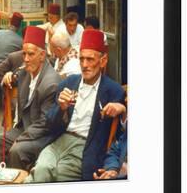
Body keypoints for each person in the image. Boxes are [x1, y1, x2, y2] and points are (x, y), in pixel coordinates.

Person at [24, 29, 125, 183]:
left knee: (52, 175)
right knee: (43, 169)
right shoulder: (68, 83)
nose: (84, 65)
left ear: (103, 61)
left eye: (90, 59)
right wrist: (61, 108)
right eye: (81, 59)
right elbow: (50, 124)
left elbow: (120, 135)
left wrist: (122, 110)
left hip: (85, 147)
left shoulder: (113, 90)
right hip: (59, 141)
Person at [0, 26, 61, 170]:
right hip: (25, 127)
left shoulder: (51, 83)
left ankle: (18, 185)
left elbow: (45, 124)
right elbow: (15, 76)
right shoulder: (25, 72)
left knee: (16, 151)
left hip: (43, 135)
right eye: (24, 54)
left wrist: (21, 139)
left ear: (42, 55)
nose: (26, 59)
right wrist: (9, 76)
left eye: (31, 54)